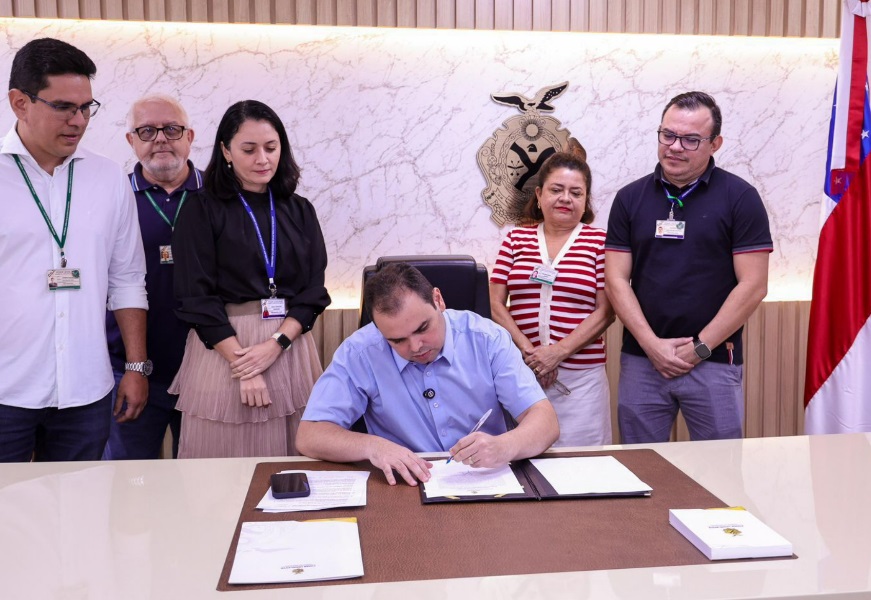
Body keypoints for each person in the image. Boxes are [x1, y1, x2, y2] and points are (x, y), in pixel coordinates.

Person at [0, 38, 148, 462]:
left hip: (86, 391)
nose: (79, 121)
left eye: (86, 108)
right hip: (6, 391)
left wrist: (136, 367)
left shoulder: (108, 178)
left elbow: (127, 280)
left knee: (78, 501)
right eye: (64, 107)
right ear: (20, 103)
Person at [604, 91, 772, 443]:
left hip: (713, 360)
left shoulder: (740, 198)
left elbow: (753, 285)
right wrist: (651, 345)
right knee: (641, 467)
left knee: (719, 469)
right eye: (668, 135)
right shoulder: (630, 198)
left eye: (691, 139)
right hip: (642, 360)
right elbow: (616, 278)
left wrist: (699, 348)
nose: (675, 147)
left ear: (715, 144)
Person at [296, 263, 560, 486]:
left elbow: (545, 422)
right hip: (405, 487)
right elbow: (310, 435)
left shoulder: (486, 338)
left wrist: (505, 446)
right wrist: (373, 447)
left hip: (487, 480)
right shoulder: (361, 352)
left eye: (422, 328)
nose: (415, 347)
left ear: (438, 300)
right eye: (397, 340)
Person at [170, 99, 330, 458]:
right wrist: (244, 367)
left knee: (294, 466)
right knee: (221, 470)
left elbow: (313, 291)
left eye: (271, 148)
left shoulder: (300, 210)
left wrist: (276, 344)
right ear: (226, 151)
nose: (263, 159)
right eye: (249, 149)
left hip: (289, 348)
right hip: (226, 351)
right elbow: (196, 297)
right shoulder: (200, 208)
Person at [490, 152, 615, 447]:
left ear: (586, 200)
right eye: (556, 190)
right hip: (523, 373)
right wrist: (530, 354)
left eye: (576, 193)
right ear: (539, 194)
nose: (565, 199)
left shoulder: (600, 242)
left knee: (585, 462)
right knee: (526, 456)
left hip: (582, 381)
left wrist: (557, 353)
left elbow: (607, 310)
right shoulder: (515, 239)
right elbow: (495, 303)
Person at [103, 95, 203, 460]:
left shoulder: (219, 196)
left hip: (206, 372)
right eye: (146, 131)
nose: (160, 138)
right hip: (127, 369)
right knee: (127, 481)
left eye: (171, 129)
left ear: (189, 136)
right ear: (131, 140)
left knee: (205, 483)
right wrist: (134, 367)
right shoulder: (111, 197)